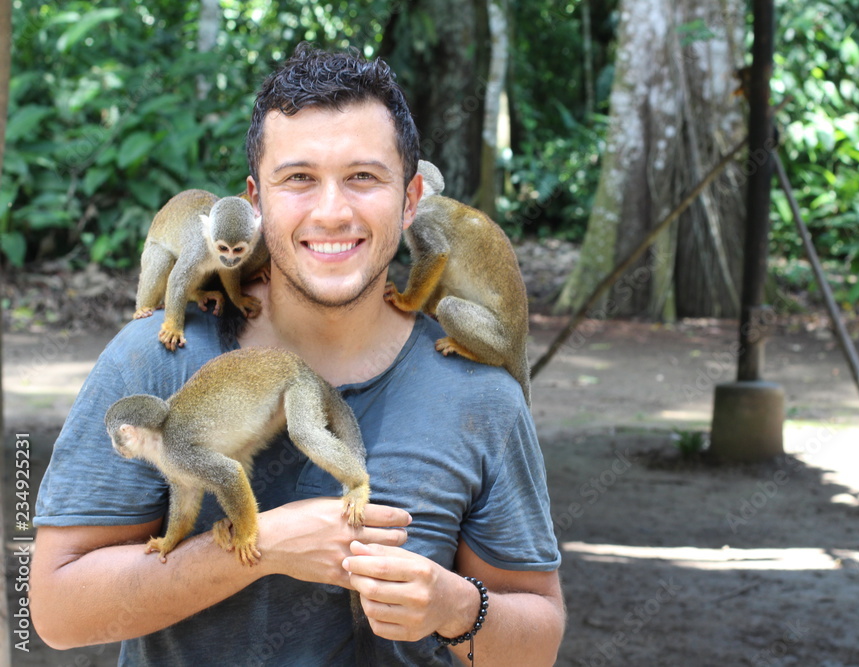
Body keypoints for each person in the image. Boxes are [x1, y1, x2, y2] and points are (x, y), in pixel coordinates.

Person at [30, 43, 564, 666]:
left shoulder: (479, 393)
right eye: (299, 179)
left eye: (363, 177)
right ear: (254, 203)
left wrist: (451, 607)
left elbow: (537, 639)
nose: (332, 212)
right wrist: (262, 549)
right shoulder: (155, 362)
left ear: (411, 198)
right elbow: (57, 613)